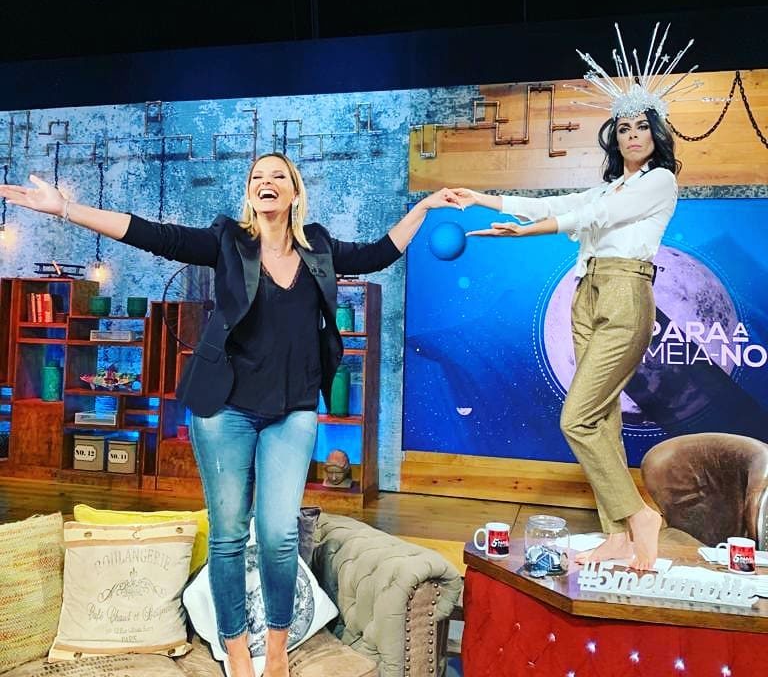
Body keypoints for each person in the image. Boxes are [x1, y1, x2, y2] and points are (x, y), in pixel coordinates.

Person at [0, 152, 461, 677]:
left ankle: (277, 648)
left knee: (278, 534)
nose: (266, 182)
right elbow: (153, 235)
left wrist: (423, 208)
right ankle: (237, 648)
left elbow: (379, 253)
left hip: (293, 409)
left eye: (278, 176)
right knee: (228, 535)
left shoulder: (319, 247)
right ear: (250, 192)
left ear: (294, 192)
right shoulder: (227, 241)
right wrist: (66, 209)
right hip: (224, 408)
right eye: (257, 177)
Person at [456, 107, 678, 571]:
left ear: (656, 135)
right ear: (614, 139)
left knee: (576, 419)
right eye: (624, 129)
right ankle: (617, 536)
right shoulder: (611, 185)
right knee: (602, 420)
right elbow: (556, 204)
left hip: (625, 291)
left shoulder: (660, 181)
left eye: (642, 128)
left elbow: (595, 216)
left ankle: (640, 516)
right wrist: (483, 199)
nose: (632, 136)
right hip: (587, 292)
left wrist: (526, 234)